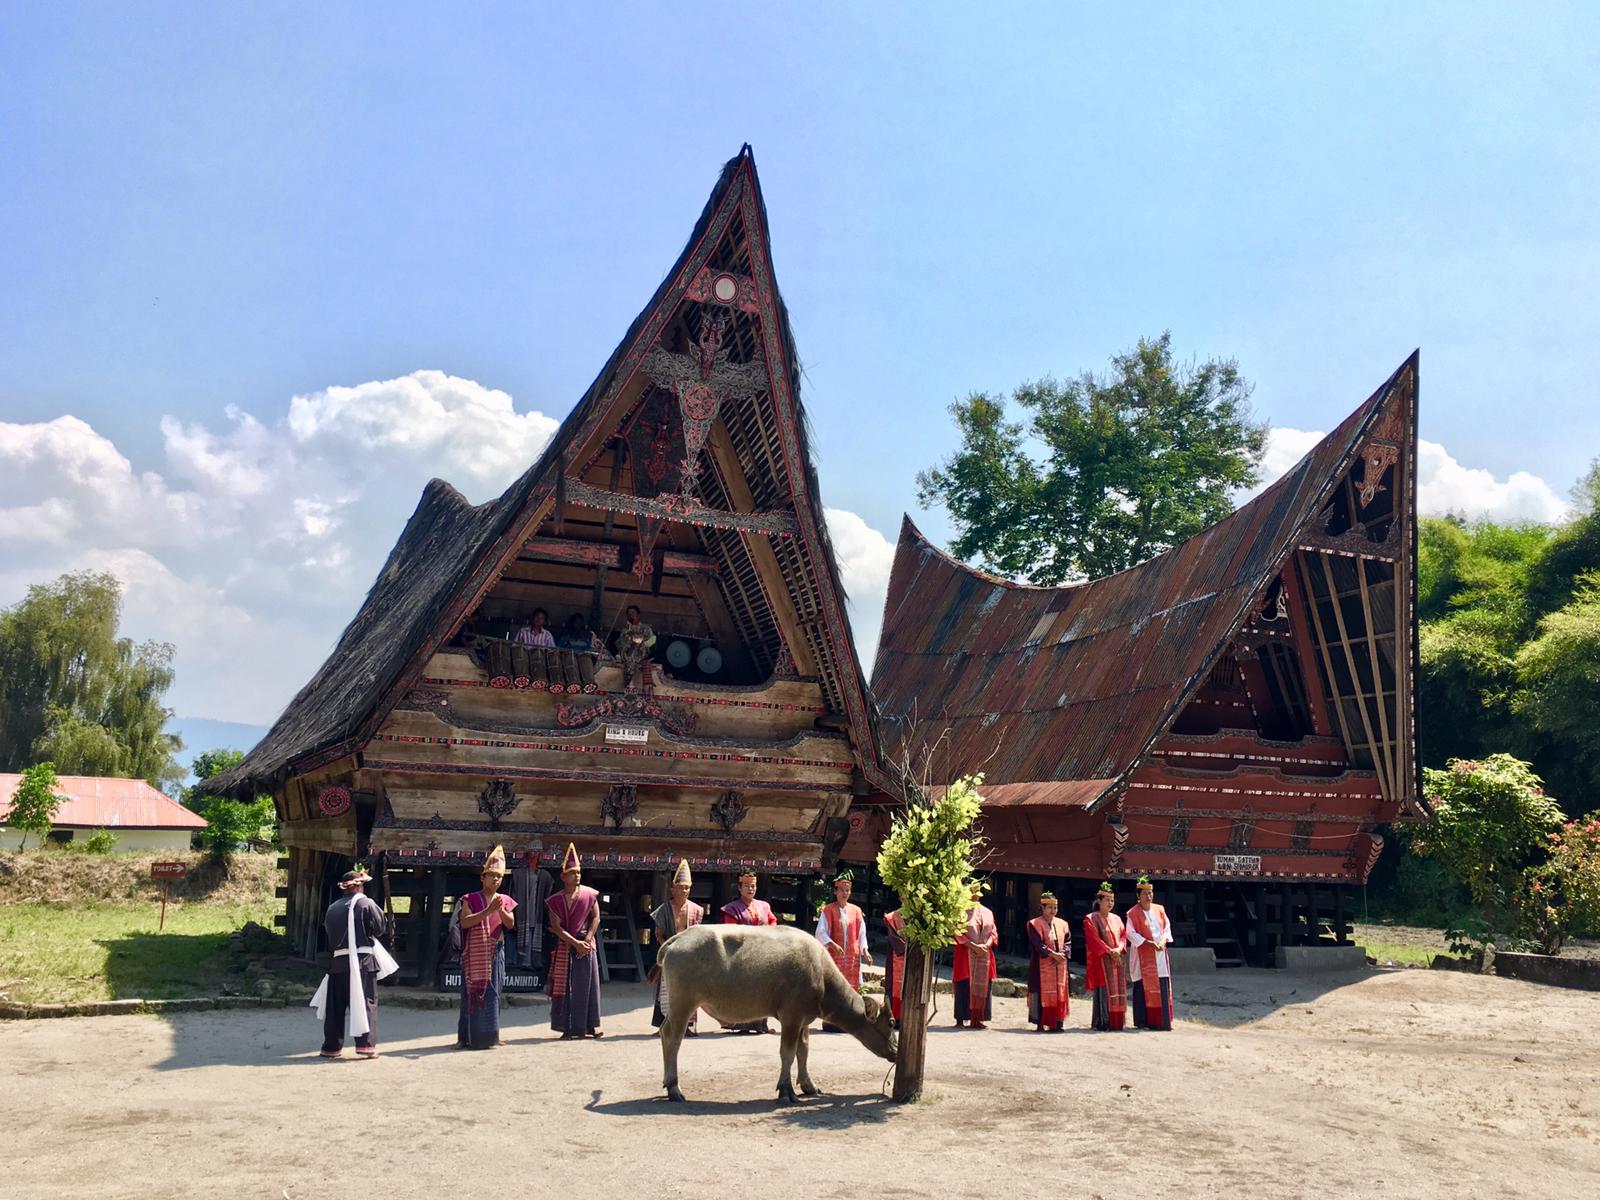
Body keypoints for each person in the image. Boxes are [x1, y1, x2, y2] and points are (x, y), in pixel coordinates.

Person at [315, 866, 395, 1059]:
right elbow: (379, 928)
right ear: (359, 887)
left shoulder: (332, 908)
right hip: (363, 961)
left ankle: (331, 1047)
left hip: (338, 963)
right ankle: (365, 1045)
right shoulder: (367, 904)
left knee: (335, 1006)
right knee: (367, 1002)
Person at [457, 845, 517, 1050]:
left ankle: (492, 1035)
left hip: (495, 950)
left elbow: (510, 924)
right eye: (492, 875)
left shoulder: (505, 900)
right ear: (482, 877)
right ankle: (465, 1037)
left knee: (494, 993)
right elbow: (465, 922)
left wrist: (499, 910)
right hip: (475, 953)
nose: (496, 880)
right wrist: (487, 910)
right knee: (471, 993)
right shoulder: (470, 898)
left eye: (499, 877)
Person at [546, 843, 603, 1039]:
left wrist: (586, 940)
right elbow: (557, 927)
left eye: (578, 872)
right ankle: (567, 1028)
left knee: (589, 986)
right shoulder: (554, 900)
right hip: (566, 943)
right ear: (563, 876)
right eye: (572, 872)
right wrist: (575, 943)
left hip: (586, 944)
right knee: (566, 988)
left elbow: (595, 918)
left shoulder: (589, 895)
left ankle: (590, 1026)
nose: (577, 876)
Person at [651, 859, 704, 1036]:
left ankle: (687, 1026)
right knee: (666, 990)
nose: (683, 891)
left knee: (690, 991)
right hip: (669, 952)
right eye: (680, 887)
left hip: (689, 955)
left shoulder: (697, 910)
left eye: (686, 888)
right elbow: (658, 933)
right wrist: (666, 948)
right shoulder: (663, 909)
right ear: (672, 888)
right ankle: (665, 1025)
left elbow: (698, 934)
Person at [720, 870, 778, 1033]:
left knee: (763, 988)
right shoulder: (731, 908)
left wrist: (767, 932)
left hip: (763, 952)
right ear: (739, 888)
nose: (750, 889)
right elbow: (730, 932)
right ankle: (741, 1023)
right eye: (746, 886)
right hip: (741, 953)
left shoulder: (764, 906)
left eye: (753, 886)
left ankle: (761, 1024)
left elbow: (773, 921)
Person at [814, 870, 871, 1030]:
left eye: (847, 890)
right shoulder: (828, 910)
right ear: (835, 891)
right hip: (834, 958)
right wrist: (831, 943)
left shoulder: (856, 911)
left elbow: (862, 933)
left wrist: (865, 950)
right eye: (842, 890)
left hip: (852, 958)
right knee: (834, 988)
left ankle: (849, 1020)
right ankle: (831, 1021)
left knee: (850, 988)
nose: (845, 893)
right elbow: (820, 932)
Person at [1126, 876, 1175, 1031]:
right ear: (1138, 896)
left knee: (1161, 984)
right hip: (1143, 956)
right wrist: (1148, 943)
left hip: (1159, 954)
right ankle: (1144, 1021)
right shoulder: (1132, 913)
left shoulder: (1159, 909)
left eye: (1150, 893)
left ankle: (1162, 1021)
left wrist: (1162, 942)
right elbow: (1130, 933)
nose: (1149, 896)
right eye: (1145, 893)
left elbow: (1166, 927)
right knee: (1143, 986)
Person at [952, 881, 997, 1030]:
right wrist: (972, 946)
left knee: (983, 986)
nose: (974, 896)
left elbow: (994, 932)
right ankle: (961, 1017)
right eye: (972, 892)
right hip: (966, 953)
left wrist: (986, 945)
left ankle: (979, 1018)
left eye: (977, 893)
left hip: (984, 953)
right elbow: (956, 932)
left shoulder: (987, 912)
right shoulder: (960, 911)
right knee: (964, 985)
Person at [1084, 882, 1128, 1032]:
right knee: (1104, 990)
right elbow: (1094, 939)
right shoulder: (1091, 918)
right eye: (1107, 900)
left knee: (1118, 989)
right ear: (1099, 901)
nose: (1110, 903)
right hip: (1102, 960)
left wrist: (1119, 948)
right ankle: (1102, 1021)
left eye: (1112, 900)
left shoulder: (1117, 918)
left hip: (1117, 958)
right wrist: (1110, 951)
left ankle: (1117, 1021)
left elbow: (1123, 936)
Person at [1026, 892, 1071, 1032]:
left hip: (1060, 965)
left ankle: (1057, 1022)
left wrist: (1062, 955)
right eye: (1050, 907)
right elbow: (1037, 944)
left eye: (1055, 907)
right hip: (1041, 965)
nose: (1053, 910)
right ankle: (1040, 1022)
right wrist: (1053, 955)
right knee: (1040, 992)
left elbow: (1068, 942)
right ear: (1042, 908)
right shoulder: (1034, 924)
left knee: (1060, 991)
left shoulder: (1063, 924)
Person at [882, 904, 908, 1028]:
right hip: (897, 956)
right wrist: (906, 948)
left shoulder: (917, 916)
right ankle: (893, 1017)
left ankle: (907, 1016)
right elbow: (893, 938)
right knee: (894, 985)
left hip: (911, 958)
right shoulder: (893, 917)